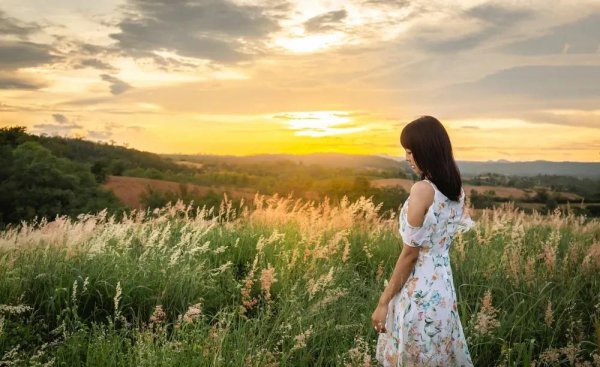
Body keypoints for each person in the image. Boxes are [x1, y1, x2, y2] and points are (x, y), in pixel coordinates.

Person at [372, 115, 476, 366]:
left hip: (418, 289)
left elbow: (410, 254)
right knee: (438, 353)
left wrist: (383, 302)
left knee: (414, 355)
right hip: (442, 287)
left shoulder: (423, 190)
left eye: (410, 152)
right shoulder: (455, 189)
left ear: (425, 150)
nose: (407, 158)